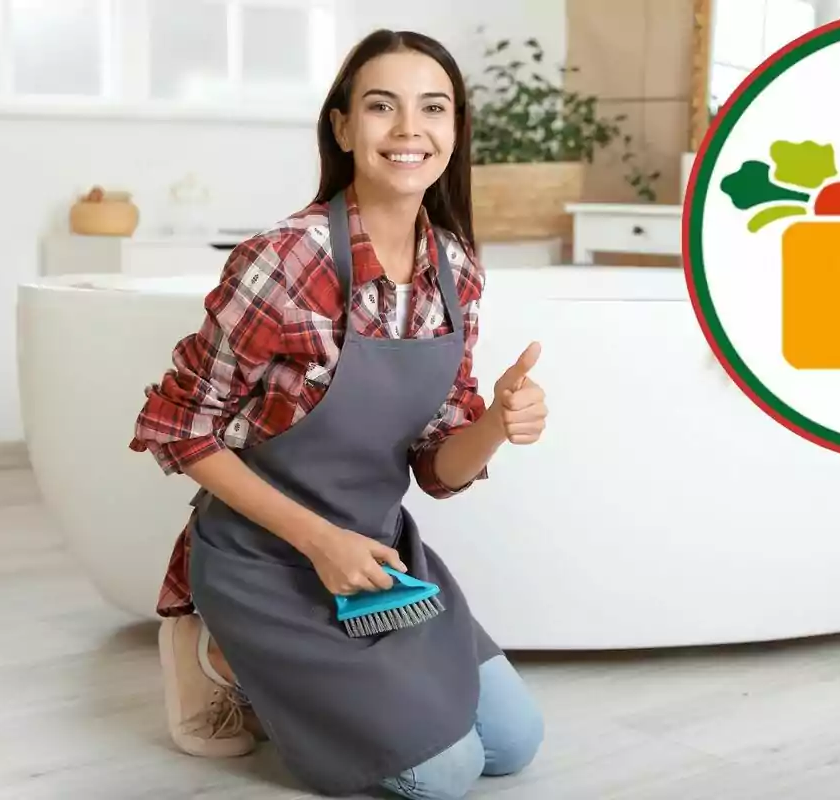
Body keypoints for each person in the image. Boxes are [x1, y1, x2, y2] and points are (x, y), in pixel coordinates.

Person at [129, 29, 547, 800]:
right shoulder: (285, 260)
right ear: (343, 127)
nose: (409, 130)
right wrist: (320, 541)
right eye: (382, 107)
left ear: (456, 131)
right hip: (265, 558)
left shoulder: (455, 268)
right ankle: (217, 655)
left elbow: (436, 466)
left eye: (434, 108)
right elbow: (179, 428)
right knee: (443, 777)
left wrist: (497, 423)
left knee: (515, 744)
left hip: (378, 562)